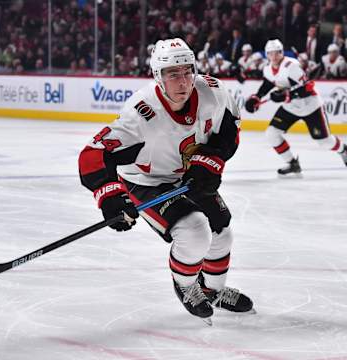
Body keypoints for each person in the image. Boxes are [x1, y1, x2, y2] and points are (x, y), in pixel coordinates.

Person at [78, 38, 254, 323]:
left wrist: (210, 160)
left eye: (187, 71)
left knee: (222, 232)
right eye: (173, 74)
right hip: (146, 181)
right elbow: (93, 154)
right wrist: (109, 197)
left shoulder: (213, 91)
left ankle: (213, 291)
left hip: (187, 175)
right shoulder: (141, 113)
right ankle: (186, 286)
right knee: (195, 231)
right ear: (157, 77)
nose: (183, 81)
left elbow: (229, 127)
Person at [244, 39, 347, 176]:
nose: (274, 57)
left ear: (281, 52)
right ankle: (292, 163)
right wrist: (257, 97)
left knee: (324, 142)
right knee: (271, 134)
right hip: (291, 107)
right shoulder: (267, 68)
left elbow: (308, 88)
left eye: (277, 53)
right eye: (270, 54)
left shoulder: (291, 66)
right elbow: (268, 83)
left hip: (311, 106)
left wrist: (286, 95)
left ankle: (342, 149)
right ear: (267, 55)